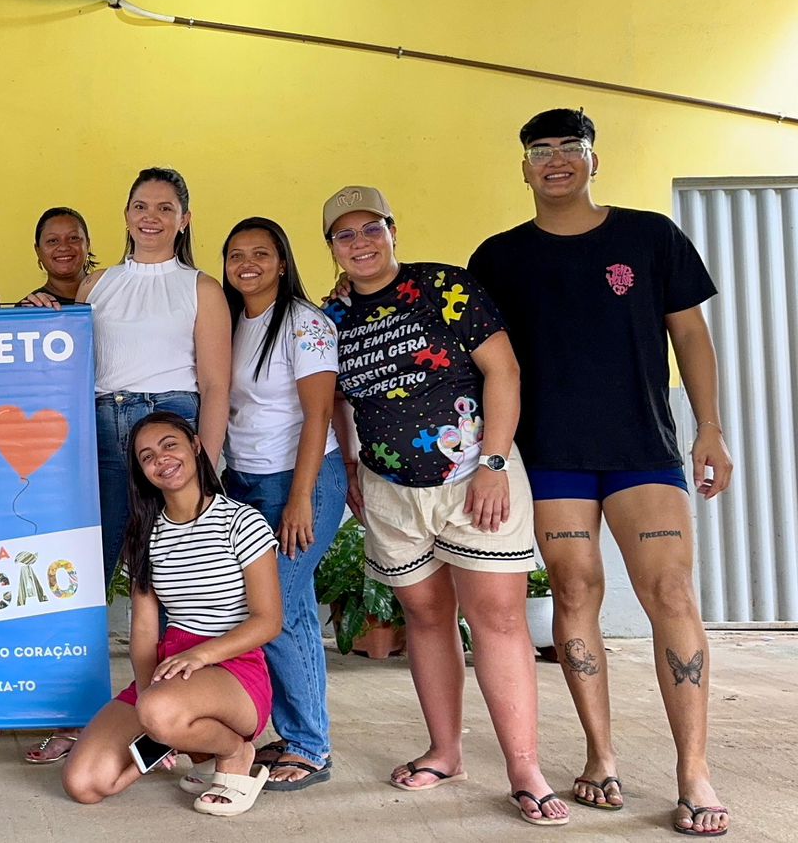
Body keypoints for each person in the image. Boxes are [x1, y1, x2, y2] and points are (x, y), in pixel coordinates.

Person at [468, 109, 732, 837]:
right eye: (540, 151)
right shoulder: (498, 256)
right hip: (550, 456)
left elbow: (691, 337)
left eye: (570, 148)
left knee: (671, 591)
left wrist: (710, 429)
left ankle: (693, 770)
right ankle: (600, 757)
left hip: (642, 447)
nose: (555, 160)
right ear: (523, 168)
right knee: (576, 590)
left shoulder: (650, 237)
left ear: (593, 160)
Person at [321, 184, 568, 827]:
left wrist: (492, 462)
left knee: (499, 620)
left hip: (473, 477)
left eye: (370, 228)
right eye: (344, 235)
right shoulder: (334, 316)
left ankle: (525, 768)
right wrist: (350, 463)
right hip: (390, 490)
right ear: (332, 248)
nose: (360, 243)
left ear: (392, 229)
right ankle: (446, 751)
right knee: (426, 619)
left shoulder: (445, 287)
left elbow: (503, 371)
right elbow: (339, 400)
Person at [21, 166, 231, 766]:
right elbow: (64, 367)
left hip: (171, 426)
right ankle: (77, 716)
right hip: (102, 427)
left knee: (168, 577)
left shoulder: (202, 288)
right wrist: (40, 314)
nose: (151, 217)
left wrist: (204, 466)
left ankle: (164, 720)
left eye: (165, 208)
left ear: (184, 219)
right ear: (126, 214)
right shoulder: (95, 285)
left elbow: (216, 384)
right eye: (141, 205)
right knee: (87, 577)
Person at [62, 412, 282, 817]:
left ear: (196, 446)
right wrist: (150, 710)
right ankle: (187, 745)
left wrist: (199, 658)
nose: (161, 458)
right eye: (147, 456)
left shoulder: (241, 521)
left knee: (161, 712)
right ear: (142, 472)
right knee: (86, 783)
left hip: (234, 669)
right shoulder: (143, 535)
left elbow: (268, 621)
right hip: (169, 672)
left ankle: (235, 751)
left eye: (169, 445)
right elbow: (144, 631)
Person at [219, 216, 345, 790]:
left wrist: (301, 499)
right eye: (236, 253)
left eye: (261, 253)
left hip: (300, 481)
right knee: (287, 609)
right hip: (245, 481)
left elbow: (318, 413)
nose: (248, 263)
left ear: (283, 260)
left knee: (276, 610)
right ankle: (299, 734)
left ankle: (309, 745)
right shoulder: (232, 321)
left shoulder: (304, 322)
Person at [21, 206, 95, 304]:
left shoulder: (113, 294)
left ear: (87, 244)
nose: (63, 247)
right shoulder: (30, 308)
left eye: (73, 238)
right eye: (53, 241)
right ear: (37, 250)